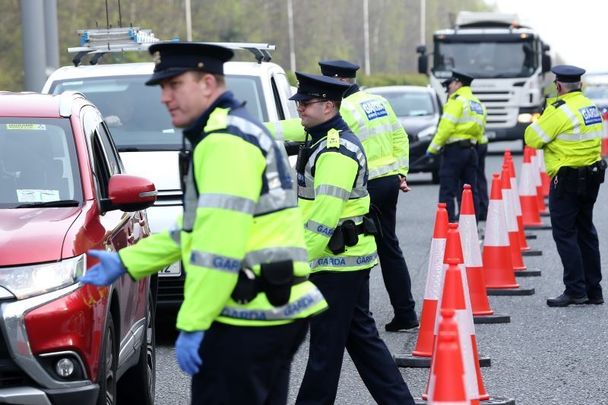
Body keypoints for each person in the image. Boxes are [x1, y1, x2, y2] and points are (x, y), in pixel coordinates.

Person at [80, 42, 328, 405]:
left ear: (208, 84)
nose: (165, 97)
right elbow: (198, 230)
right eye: (163, 87)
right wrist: (128, 261)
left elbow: (217, 245)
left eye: (175, 85)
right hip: (268, 310)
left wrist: (193, 322)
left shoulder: (225, 141)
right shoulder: (236, 130)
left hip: (246, 316)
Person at [287, 71, 415, 405]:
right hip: (344, 259)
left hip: (336, 262)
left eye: (306, 103)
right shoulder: (318, 135)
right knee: (361, 339)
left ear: (328, 106)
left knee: (325, 352)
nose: (299, 108)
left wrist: (294, 263)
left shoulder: (335, 152)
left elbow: (323, 219)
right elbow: (279, 130)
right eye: (299, 101)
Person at [267, 59, 418, 332]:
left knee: (358, 243)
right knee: (389, 247)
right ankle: (404, 312)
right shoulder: (378, 101)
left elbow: (301, 129)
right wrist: (401, 171)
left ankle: (365, 310)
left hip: (360, 185)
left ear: (338, 83)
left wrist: (257, 129)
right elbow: (400, 136)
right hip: (387, 182)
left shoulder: (343, 108)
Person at [524, 64, 606, 307]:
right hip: (592, 175)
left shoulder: (559, 110)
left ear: (558, 86)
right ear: (579, 85)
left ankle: (575, 290)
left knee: (565, 233)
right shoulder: (589, 106)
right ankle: (594, 290)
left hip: (568, 178)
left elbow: (532, 138)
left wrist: (544, 113)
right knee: (586, 231)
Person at [426, 69, 486, 222]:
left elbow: (445, 128)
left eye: (451, 83)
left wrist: (432, 149)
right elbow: (481, 129)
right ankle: (471, 226)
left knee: (447, 190)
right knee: (470, 191)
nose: (449, 87)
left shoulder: (456, 101)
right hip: (472, 150)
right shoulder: (477, 103)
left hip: (454, 151)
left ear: (458, 83)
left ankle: (448, 226)